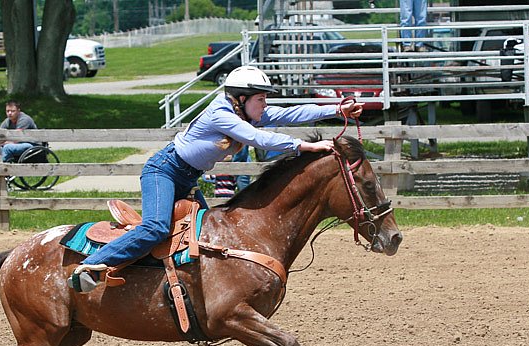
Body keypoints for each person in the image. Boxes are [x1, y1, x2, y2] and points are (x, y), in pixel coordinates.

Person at [69, 65, 363, 293]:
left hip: (186, 178)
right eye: (261, 99)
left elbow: (292, 113)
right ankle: (90, 266)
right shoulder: (220, 114)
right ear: (242, 98)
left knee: (207, 234)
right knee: (157, 226)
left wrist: (337, 109)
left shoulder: (247, 113)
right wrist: (305, 146)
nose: (264, 105)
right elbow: (256, 138)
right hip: (163, 170)